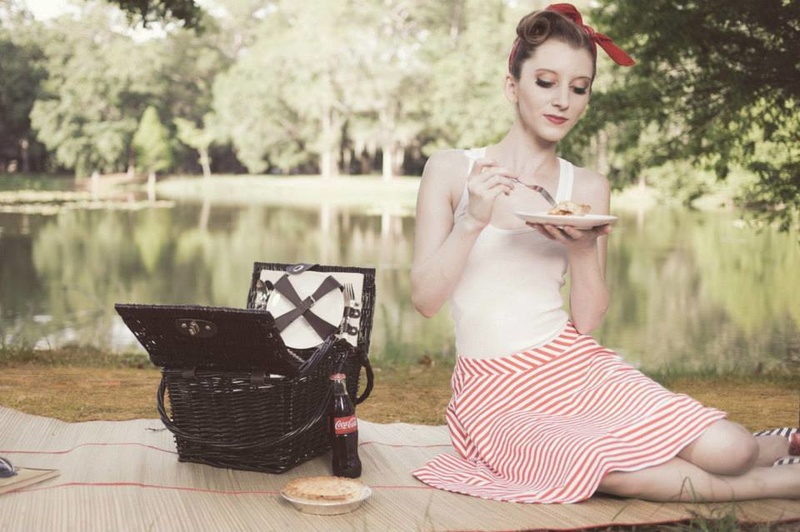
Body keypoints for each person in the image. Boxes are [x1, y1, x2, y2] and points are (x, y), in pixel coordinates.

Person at [410, 3, 800, 504]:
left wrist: (583, 249)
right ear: (513, 87)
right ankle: (785, 479)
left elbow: (588, 321)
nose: (563, 102)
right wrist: (471, 222)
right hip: (494, 392)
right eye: (546, 82)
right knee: (603, 468)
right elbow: (424, 300)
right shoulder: (451, 171)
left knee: (733, 449)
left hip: (572, 366)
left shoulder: (588, 187)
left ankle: (765, 450)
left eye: (579, 88)